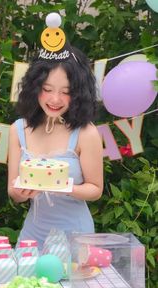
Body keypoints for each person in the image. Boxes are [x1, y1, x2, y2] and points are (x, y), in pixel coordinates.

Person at [8, 13, 103, 250]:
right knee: (24, 286)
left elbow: (95, 189)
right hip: (31, 236)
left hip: (76, 238)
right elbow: (13, 191)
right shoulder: (18, 129)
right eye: (47, 89)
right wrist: (21, 193)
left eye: (66, 91)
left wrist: (61, 185)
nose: (55, 99)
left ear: (78, 92)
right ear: (34, 88)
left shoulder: (86, 133)